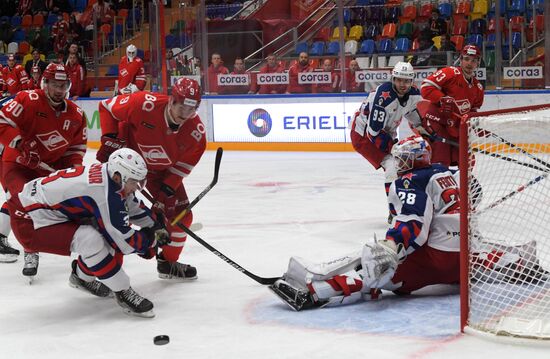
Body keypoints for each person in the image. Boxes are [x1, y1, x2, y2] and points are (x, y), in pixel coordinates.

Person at [269, 136, 548, 311]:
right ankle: (520, 260)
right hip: (462, 258)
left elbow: (413, 223)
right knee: (479, 256)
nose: (399, 163)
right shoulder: (443, 172)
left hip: (435, 259)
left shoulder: (411, 179)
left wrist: (391, 247)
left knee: (376, 271)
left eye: (403, 158)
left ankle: (315, 293)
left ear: (413, 160)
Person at [13, 148, 167, 317]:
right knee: (92, 239)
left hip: (42, 208)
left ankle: (81, 278)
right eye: (134, 182)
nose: (136, 187)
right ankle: (123, 291)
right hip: (29, 220)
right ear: (118, 176)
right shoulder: (102, 192)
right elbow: (121, 241)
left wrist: (154, 225)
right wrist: (149, 242)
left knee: (99, 234)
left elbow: (129, 204)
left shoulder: (110, 176)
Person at [97, 77, 206, 281]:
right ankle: (103, 272)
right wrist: (110, 139)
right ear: (172, 100)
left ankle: (167, 263)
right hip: (127, 165)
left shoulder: (196, 133)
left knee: (182, 217)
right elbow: (106, 107)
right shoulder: (142, 103)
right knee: (113, 215)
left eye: (191, 110)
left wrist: (166, 191)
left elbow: (182, 167)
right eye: (182, 107)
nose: (186, 115)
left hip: (161, 173)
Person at [0, 63, 88, 279]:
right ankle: (31, 249)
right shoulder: (27, 99)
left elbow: (75, 149)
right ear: (44, 83)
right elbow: (2, 121)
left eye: (64, 85)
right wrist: (20, 143)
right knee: (22, 198)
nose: (60, 90)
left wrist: (73, 170)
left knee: (29, 201)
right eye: (55, 85)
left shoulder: (76, 114)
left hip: (48, 167)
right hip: (17, 162)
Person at [350, 61, 421, 200]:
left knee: (403, 165)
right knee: (392, 165)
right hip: (363, 135)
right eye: (399, 80)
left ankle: (406, 201)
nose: (402, 84)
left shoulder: (413, 94)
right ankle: (394, 209)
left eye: (406, 81)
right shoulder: (384, 98)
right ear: (393, 79)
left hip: (383, 132)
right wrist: (394, 147)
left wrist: (423, 129)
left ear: (412, 81)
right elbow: (374, 132)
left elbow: (412, 113)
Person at [417, 44, 484, 166]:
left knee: (467, 161)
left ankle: (461, 184)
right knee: (441, 159)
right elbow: (426, 87)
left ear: (478, 63)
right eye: (467, 59)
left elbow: (472, 110)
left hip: (456, 128)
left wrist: (475, 123)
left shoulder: (478, 87)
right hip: (438, 123)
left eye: (473, 61)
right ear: (461, 59)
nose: (469, 63)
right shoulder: (449, 73)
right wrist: (442, 99)